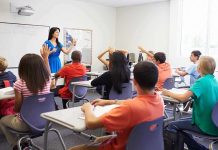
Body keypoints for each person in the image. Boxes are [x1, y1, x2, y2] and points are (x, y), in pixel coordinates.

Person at [68, 61, 164, 150]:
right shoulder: (159, 100)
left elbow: (91, 124)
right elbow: (134, 102)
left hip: (123, 147)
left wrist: (88, 108)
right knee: (99, 139)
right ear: (156, 81)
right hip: (142, 144)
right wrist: (110, 102)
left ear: (134, 81)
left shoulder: (130, 107)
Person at [0, 45, 51, 150]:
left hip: (26, 124)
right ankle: (24, 142)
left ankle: (17, 145)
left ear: (22, 68)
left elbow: (17, 108)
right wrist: (45, 58)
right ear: (41, 67)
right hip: (46, 121)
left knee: (3, 121)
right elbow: (48, 73)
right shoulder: (47, 80)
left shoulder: (20, 84)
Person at [162, 56, 218, 150]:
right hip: (214, 123)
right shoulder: (214, 81)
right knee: (182, 126)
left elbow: (182, 99)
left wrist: (167, 92)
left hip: (206, 125)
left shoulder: (201, 81)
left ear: (199, 68)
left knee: (172, 125)